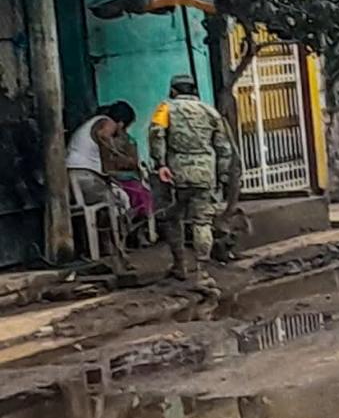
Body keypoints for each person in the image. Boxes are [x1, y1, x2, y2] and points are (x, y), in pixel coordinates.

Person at [148, 74, 233, 289]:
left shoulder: (165, 108)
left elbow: (156, 134)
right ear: (194, 91)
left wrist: (160, 164)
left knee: (172, 217)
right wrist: (221, 175)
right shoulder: (210, 112)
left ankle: (180, 265)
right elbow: (224, 147)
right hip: (205, 174)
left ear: (173, 91)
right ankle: (203, 273)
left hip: (176, 174)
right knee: (202, 222)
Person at [65, 103, 133, 261]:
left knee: (107, 201)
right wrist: (115, 153)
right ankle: (116, 247)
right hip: (84, 176)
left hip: (73, 176)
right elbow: (104, 134)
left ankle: (104, 246)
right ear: (121, 123)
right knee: (119, 201)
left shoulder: (91, 123)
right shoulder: (106, 122)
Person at [98, 101, 155, 224]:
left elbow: (133, 162)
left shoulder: (127, 141)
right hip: (113, 179)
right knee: (137, 194)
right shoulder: (103, 139)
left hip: (125, 178)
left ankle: (141, 228)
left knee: (143, 195)